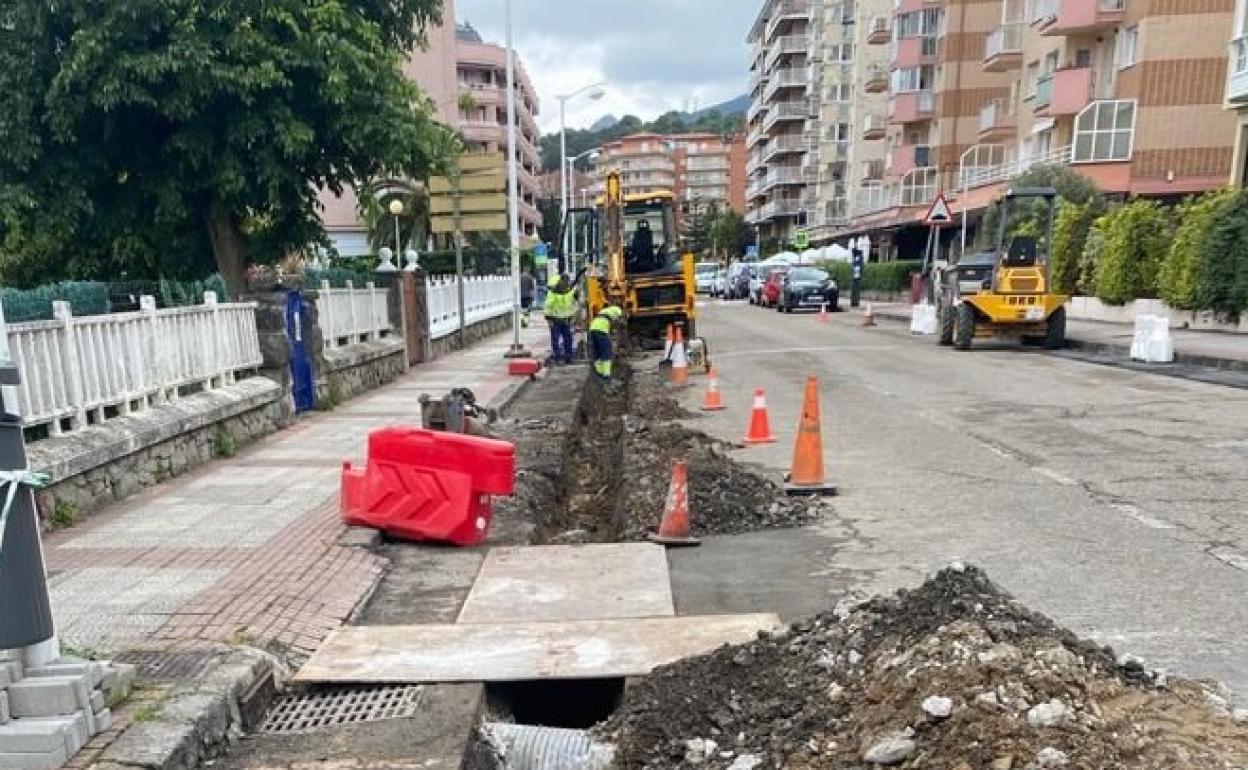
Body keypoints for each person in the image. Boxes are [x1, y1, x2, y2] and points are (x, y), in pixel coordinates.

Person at [543, 274, 577, 364]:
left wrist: (572, 317)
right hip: (555, 320)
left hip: (566, 320)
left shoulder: (569, 292)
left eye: (567, 282)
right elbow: (547, 306)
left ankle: (568, 358)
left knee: (568, 339)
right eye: (565, 282)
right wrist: (548, 319)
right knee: (556, 340)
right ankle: (558, 358)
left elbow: (573, 304)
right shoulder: (553, 293)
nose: (566, 284)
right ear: (560, 281)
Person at [589, 305, 624, 378]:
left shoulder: (605, 311)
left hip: (592, 329)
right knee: (607, 351)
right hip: (601, 330)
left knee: (598, 351)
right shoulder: (617, 309)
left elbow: (610, 323)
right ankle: (607, 374)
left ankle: (600, 372)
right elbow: (619, 321)